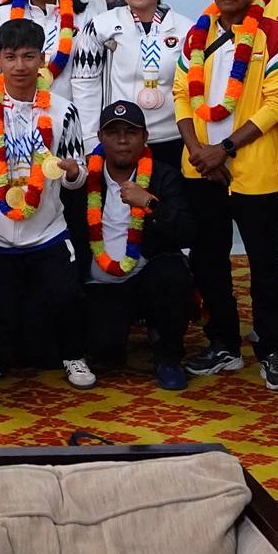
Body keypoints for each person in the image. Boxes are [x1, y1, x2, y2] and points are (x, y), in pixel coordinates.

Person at [171, 0, 278, 391]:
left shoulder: (274, 34)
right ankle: (223, 343)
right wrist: (198, 151)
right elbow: (181, 94)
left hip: (255, 170)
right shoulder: (197, 34)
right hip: (201, 170)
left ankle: (274, 350)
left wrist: (224, 149)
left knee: (265, 264)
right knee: (208, 261)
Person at [0, 19, 93, 389]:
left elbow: (78, 174)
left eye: (29, 57)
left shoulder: (64, 111)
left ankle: (74, 356)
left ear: (42, 60)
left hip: (49, 228)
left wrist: (71, 172)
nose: (20, 66)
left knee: (65, 296)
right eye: (11, 56)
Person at [81, 101, 196, 391]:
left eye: (130, 132)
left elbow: (187, 232)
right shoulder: (85, 180)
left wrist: (149, 203)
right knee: (105, 349)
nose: (122, 140)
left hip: (146, 277)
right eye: (113, 133)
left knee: (174, 273)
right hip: (100, 286)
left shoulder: (163, 175)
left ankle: (168, 354)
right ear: (100, 137)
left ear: (145, 137)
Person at [75, 0, 195, 165]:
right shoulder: (100, 27)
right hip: (121, 140)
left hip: (174, 139)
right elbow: (84, 84)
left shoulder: (187, 29)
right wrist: (91, 141)